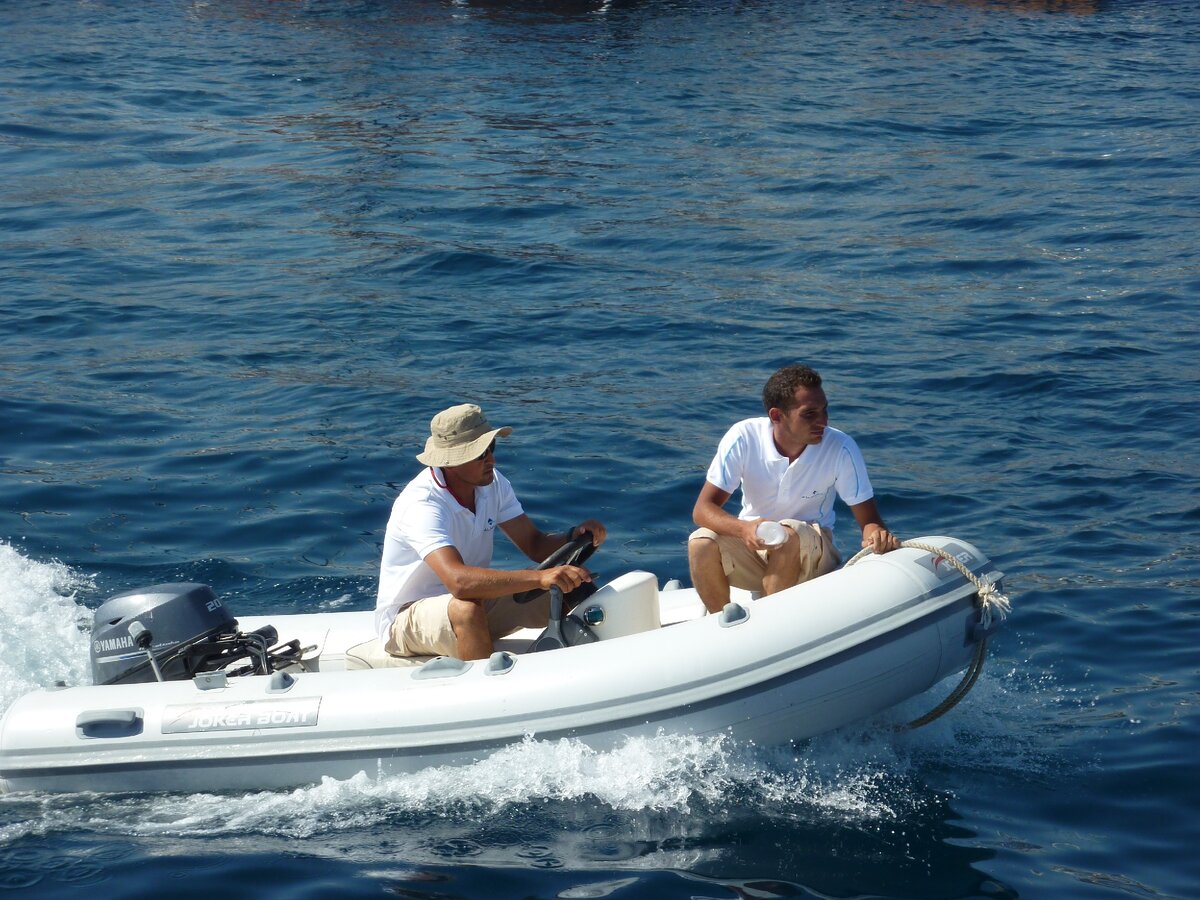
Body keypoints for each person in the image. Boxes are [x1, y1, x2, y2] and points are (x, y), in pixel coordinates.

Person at [376, 403, 606, 661]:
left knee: (573, 585)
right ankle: (486, 684)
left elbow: (535, 544)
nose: (492, 460)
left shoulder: (493, 483)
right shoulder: (422, 504)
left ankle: (590, 661)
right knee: (467, 610)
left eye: (491, 448)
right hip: (405, 620)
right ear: (451, 461)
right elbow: (459, 583)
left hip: (471, 599)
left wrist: (574, 536)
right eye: (480, 454)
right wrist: (539, 578)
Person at [688, 364, 900, 613]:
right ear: (776, 416)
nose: (823, 421)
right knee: (700, 542)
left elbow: (870, 522)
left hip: (814, 555)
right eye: (810, 414)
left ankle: (771, 621)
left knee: (788, 533)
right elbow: (702, 510)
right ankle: (721, 624)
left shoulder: (841, 447)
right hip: (757, 546)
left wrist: (876, 535)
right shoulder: (743, 436)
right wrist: (744, 529)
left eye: (825, 410)